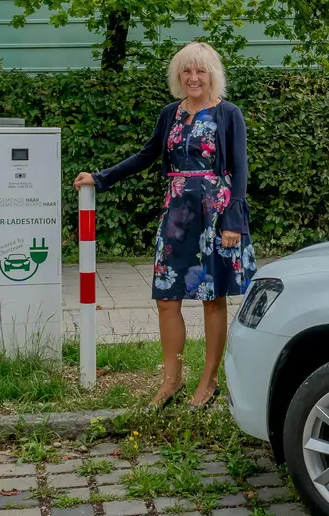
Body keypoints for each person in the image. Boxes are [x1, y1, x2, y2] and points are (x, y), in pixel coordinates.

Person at [74, 41, 256, 409]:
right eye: (186, 70)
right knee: (166, 298)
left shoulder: (228, 113)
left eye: (200, 70)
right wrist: (101, 177)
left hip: (215, 215)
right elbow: (146, 155)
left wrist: (233, 221)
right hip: (176, 215)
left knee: (212, 298)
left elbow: (239, 169)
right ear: (178, 75)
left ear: (211, 75)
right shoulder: (170, 114)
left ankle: (208, 381)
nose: (193, 77)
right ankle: (171, 381)